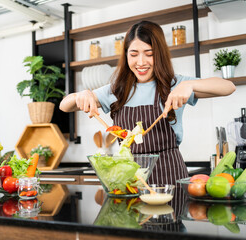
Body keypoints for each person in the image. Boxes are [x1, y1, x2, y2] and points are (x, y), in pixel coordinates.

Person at [60, 21, 236, 185]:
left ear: (159, 55)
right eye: (134, 54)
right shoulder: (116, 90)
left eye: (149, 54)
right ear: (126, 55)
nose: (141, 62)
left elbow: (228, 87)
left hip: (169, 176)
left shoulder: (174, 85)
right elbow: (64, 106)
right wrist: (82, 95)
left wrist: (189, 85)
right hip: (129, 178)